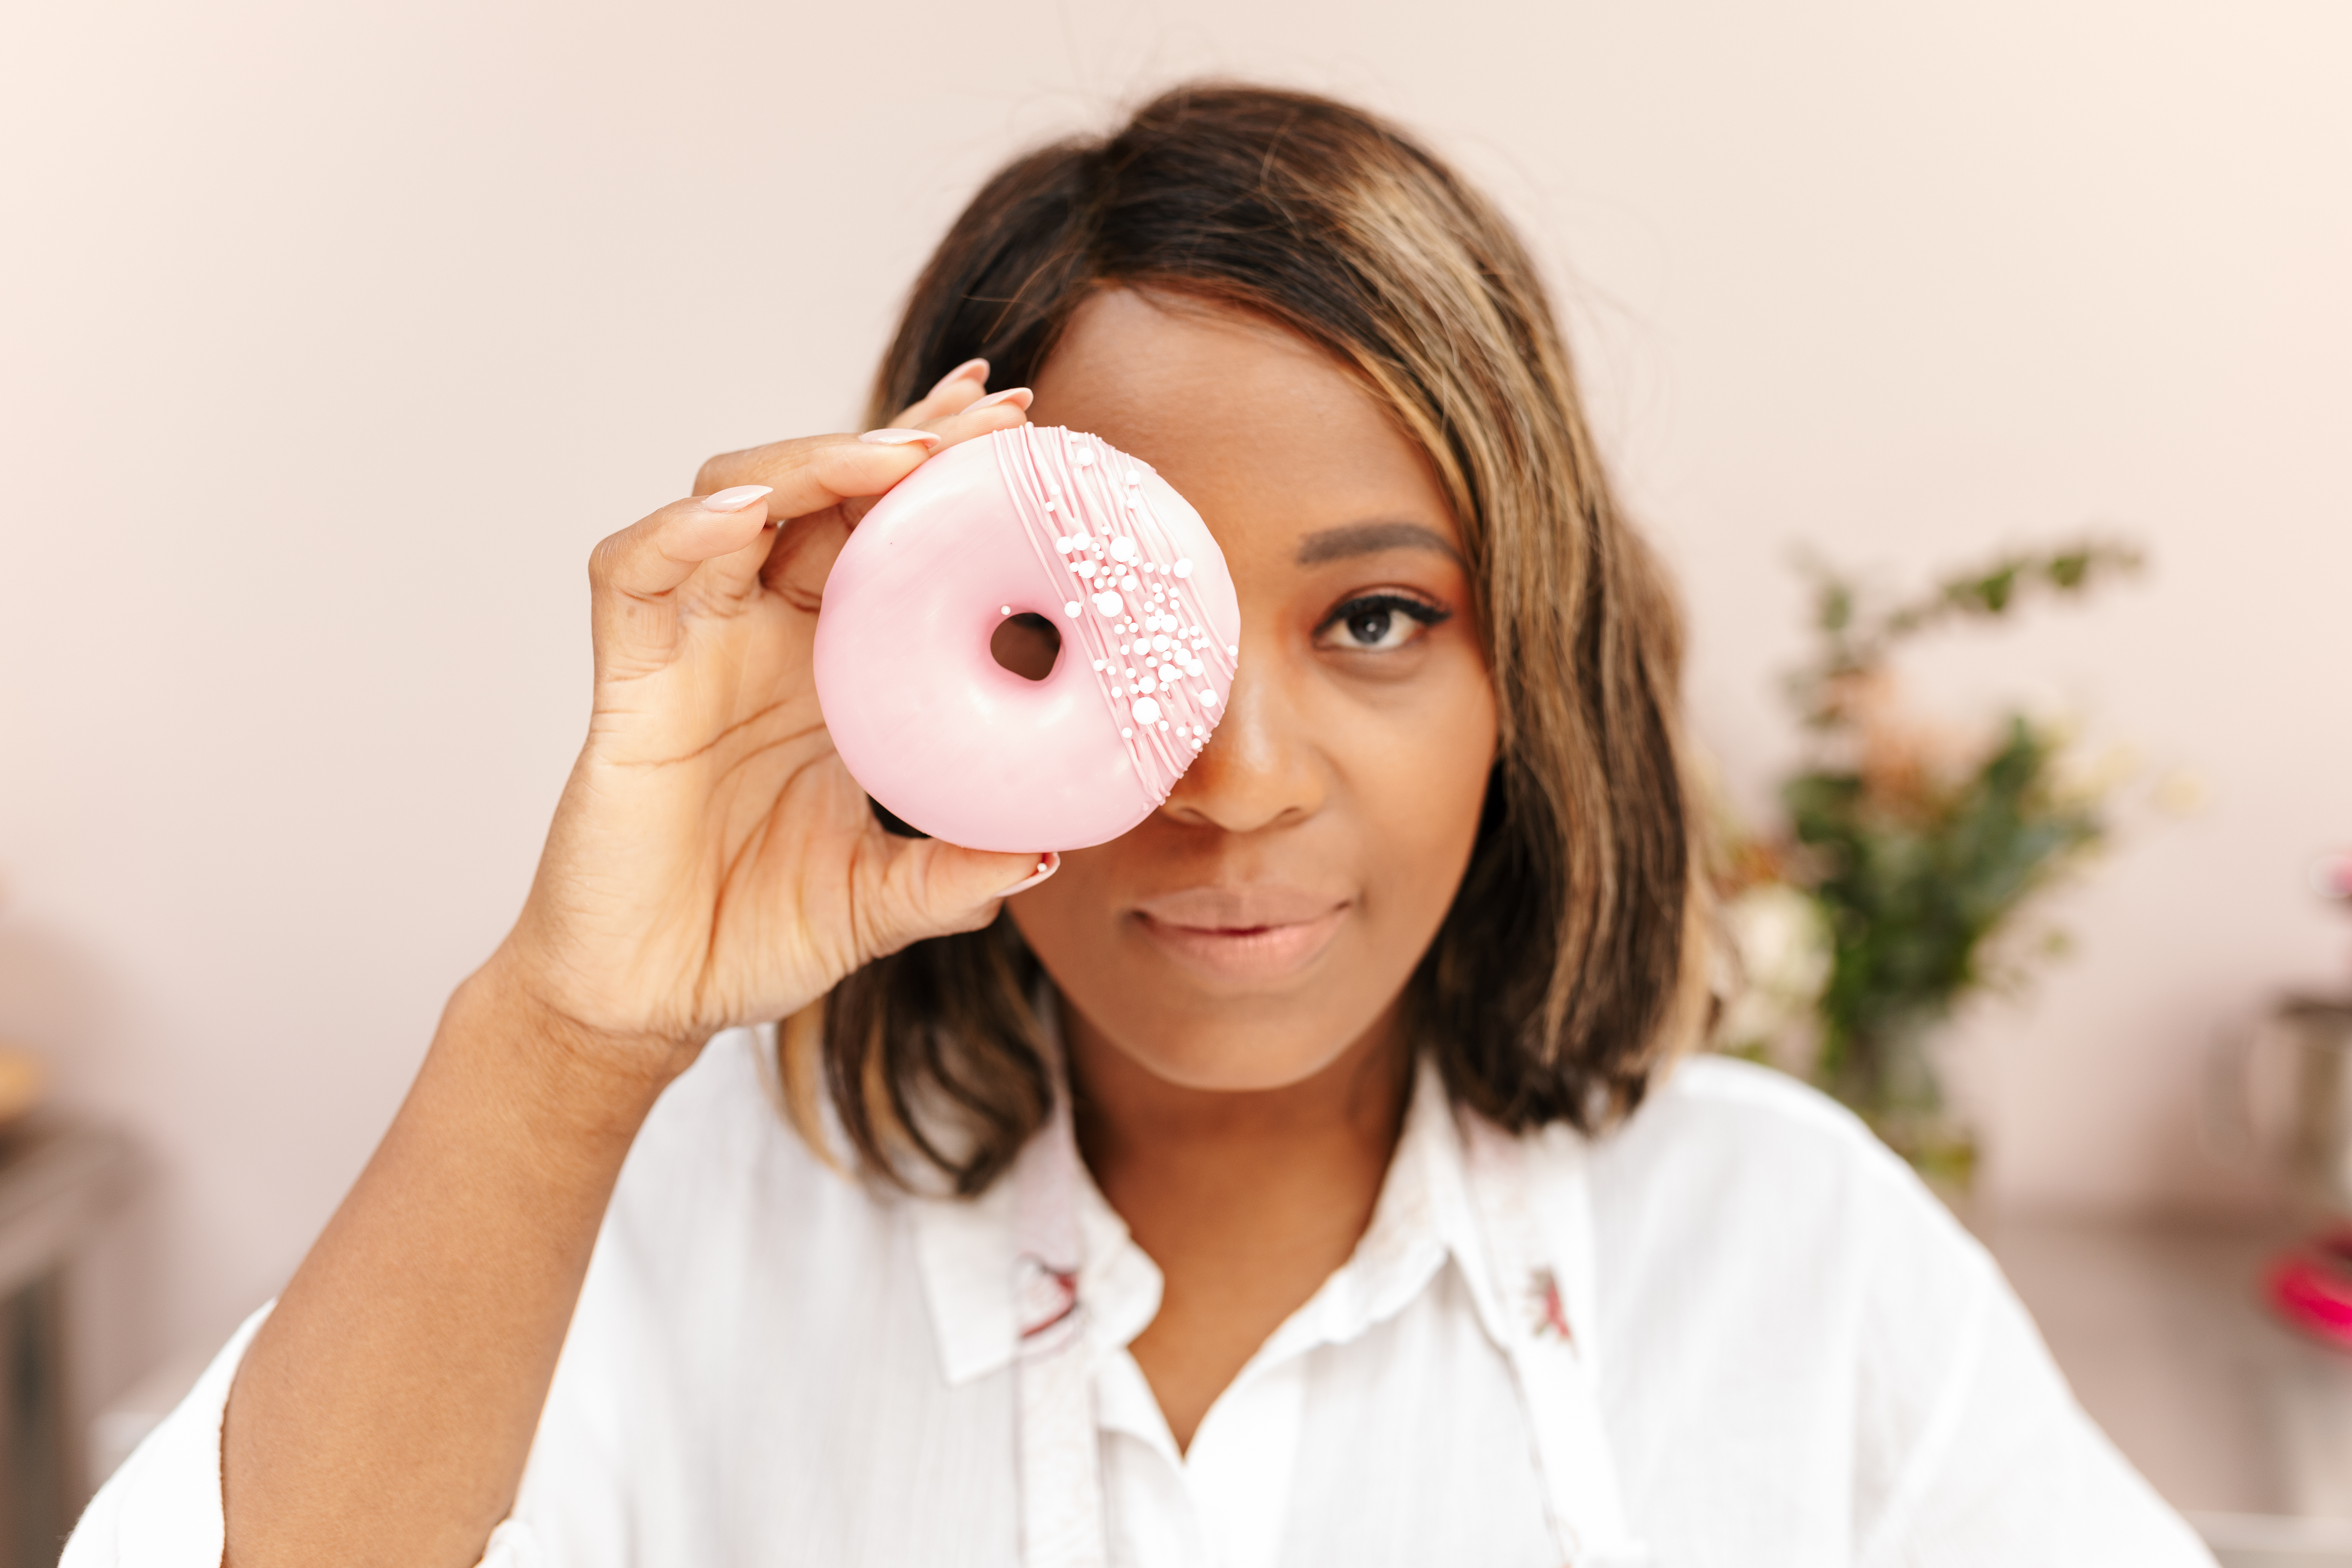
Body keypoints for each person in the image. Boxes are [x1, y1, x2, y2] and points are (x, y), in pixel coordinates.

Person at [66, 83, 2213, 1568]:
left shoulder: (1788, 1258)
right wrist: (563, 1037)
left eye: (1378, 616)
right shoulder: (669, 1237)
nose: (1241, 778)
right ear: (919, 646)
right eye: (1099, 637)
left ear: (1523, 676)